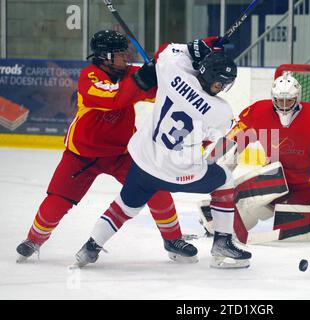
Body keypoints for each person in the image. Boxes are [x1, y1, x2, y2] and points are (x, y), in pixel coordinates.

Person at [16, 30, 195, 264]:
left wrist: (163, 67)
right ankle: (34, 239)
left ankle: (173, 239)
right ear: (105, 56)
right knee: (58, 200)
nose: (126, 58)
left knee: (157, 189)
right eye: (121, 54)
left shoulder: (129, 73)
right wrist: (145, 76)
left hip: (123, 153)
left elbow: (159, 92)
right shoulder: (88, 76)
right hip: (82, 154)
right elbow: (114, 98)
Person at [73, 36, 252, 269]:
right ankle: (223, 242)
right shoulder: (221, 111)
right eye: (221, 84)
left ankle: (90, 247)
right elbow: (209, 138)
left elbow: (166, 51)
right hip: (180, 173)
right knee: (224, 179)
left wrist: (195, 47)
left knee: (124, 206)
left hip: (145, 161)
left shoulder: (173, 71)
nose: (221, 88)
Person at [200, 73, 310, 236]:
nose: (283, 105)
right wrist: (214, 159)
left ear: (298, 98)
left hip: (309, 184)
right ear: (273, 98)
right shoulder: (259, 110)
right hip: (275, 177)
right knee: (248, 197)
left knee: (291, 225)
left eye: (289, 100)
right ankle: (219, 219)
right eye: (279, 100)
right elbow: (236, 136)